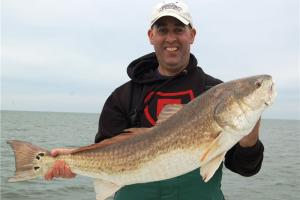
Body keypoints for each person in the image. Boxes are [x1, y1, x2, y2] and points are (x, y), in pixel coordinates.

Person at [45, 0, 264, 199]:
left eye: (179, 29)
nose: (171, 38)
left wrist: (249, 138)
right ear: (151, 35)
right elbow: (105, 152)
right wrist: (73, 160)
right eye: (162, 30)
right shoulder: (123, 96)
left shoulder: (216, 92)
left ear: (192, 35)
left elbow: (246, 169)